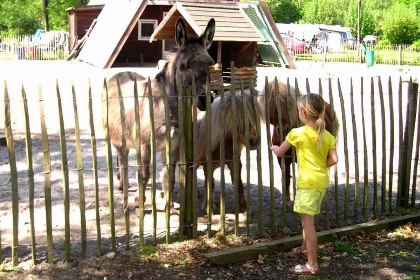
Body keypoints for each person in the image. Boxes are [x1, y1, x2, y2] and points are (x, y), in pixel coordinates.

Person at [270, 93, 338, 275]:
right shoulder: (328, 135)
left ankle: (312, 265)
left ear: (302, 112)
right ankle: (304, 248)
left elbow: (280, 152)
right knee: (306, 220)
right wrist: (321, 166)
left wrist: (274, 148)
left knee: (308, 225)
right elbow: (334, 159)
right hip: (321, 183)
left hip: (307, 185)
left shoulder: (296, 134)